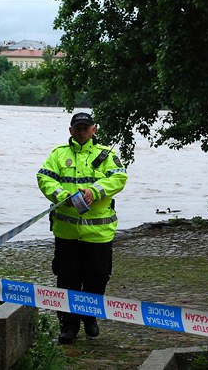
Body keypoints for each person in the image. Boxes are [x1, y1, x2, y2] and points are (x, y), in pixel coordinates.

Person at [37, 112, 128, 344]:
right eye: (77, 128)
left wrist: (94, 191)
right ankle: (68, 326)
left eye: (85, 128)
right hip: (66, 233)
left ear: (94, 129)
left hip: (98, 235)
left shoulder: (106, 155)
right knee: (67, 280)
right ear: (70, 130)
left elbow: (119, 178)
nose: (81, 131)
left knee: (97, 278)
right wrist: (62, 195)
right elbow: (44, 178)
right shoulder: (58, 154)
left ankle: (90, 318)